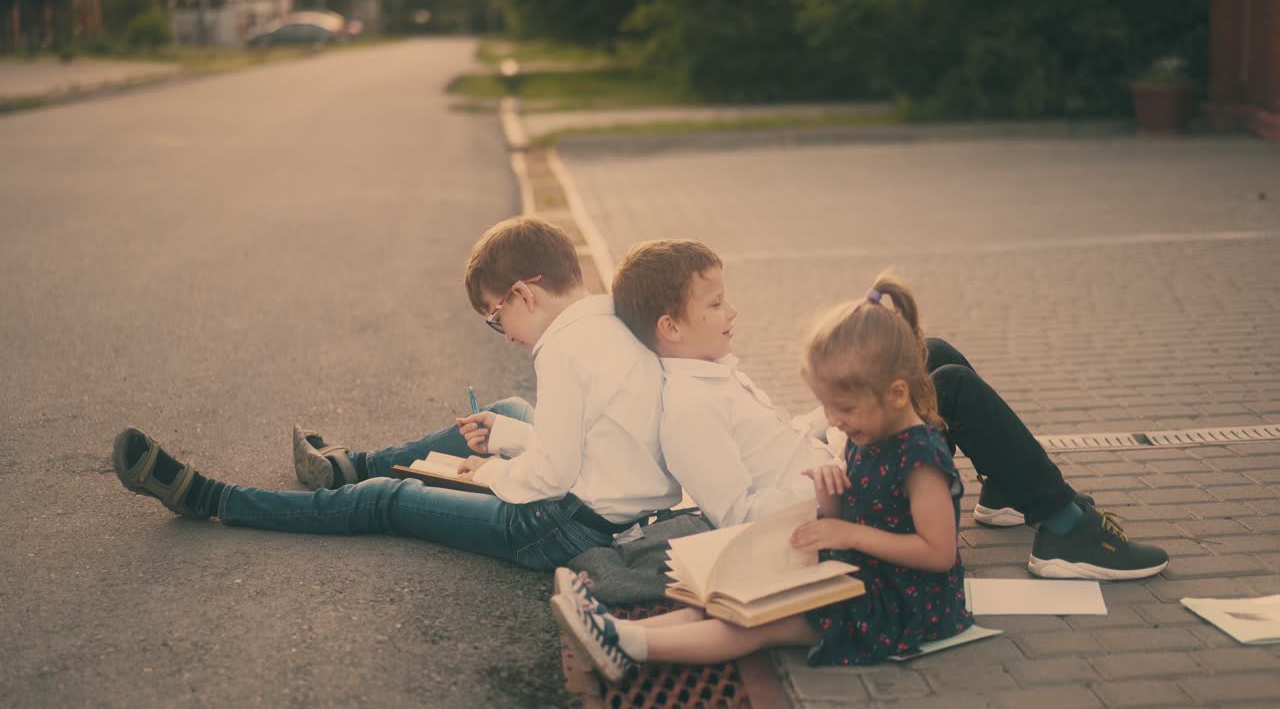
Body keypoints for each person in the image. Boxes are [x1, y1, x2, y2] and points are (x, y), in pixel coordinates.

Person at [111, 217, 682, 571]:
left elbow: (550, 479)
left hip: (563, 528)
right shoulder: (605, 317)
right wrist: (508, 440)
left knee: (390, 499)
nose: (503, 333)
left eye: (494, 316)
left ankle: (213, 499)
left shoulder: (560, 350)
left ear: (523, 295)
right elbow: (593, 441)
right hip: (609, 499)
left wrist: (485, 475)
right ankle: (346, 468)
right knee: (504, 414)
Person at [610, 239, 1168, 581]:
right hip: (843, 502)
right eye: (715, 304)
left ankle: (1006, 489)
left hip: (838, 467)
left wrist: (823, 420)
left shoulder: (711, 371)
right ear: (671, 327)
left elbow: (774, 441)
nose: (732, 309)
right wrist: (826, 477)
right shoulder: (687, 409)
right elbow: (738, 517)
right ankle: (1064, 528)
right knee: (950, 386)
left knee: (932, 354)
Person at [552, 278, 973, 680]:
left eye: (842, 409)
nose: (832, 421)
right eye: (827, 408)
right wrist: (831, 500)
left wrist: (845, 533)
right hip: (858, 572)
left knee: (760, 622)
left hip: (902, 602)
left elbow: (938, 554)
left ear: (897, 394)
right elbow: (860, 515)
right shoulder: (871, 434)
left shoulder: (922, 460)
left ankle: (631, 648)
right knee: (735, 596)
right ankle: (613, 630)